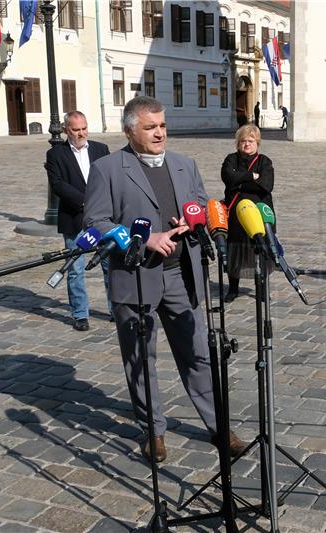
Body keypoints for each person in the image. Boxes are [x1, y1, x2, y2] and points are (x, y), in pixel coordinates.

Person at [84, 96, 246, 462]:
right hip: (136, 277)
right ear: (130, 130)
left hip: (182, 277)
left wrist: (194, 222)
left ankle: (219, 427)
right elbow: (95, 223)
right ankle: (153, 431)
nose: (160, 133)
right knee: (141, 359)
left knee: (199, 355)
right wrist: (145, 239)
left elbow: (203, 205)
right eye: (150, 127)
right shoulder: (107, 168)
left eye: (162, 125)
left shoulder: (184, 164)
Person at [46, 111, 112, 331]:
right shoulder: (56, 154)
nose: (81, 133)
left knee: (109, 264)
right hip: (74, 217)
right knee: (75, 268)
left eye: (84, 128)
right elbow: (58, 184)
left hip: (103, 218)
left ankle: (116, 309)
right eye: (76, 129)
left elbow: (110, 179)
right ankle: (80, 314)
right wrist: (86, 203)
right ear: (66, 130)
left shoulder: (101, 149)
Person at [220, 124, 275, 302]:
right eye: (243, 141)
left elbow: (266, 185)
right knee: (234, 249)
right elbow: (228, 178)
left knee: (259, 250)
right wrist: (251, 177)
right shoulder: (231, 159)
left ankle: (261, 288)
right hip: (235, 213)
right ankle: (233, 289)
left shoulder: (264, 162)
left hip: (259, 212)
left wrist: (239, 181)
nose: (246, 144)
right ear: (238, 143)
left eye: (250, 141)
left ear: (257, 142)